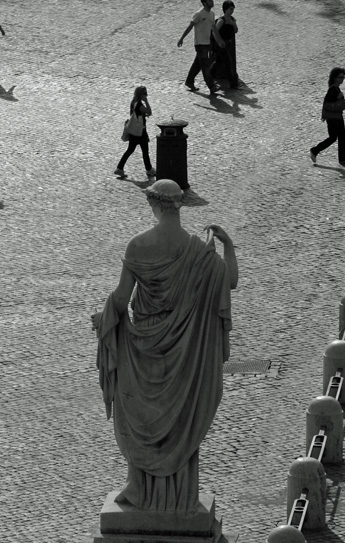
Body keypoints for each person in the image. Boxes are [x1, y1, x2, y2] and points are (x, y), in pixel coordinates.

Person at [92, 180, 237, 513]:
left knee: (141, 416)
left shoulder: (138, 246)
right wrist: (228, 246)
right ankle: (181, 496)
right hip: (185, 351)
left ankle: (140, 490)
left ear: (152, 205)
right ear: (180, 206)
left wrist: (104, 318)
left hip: (145, 346)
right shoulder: (201, 253)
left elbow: (121, 297)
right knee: (180, 418)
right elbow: (230, 282)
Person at [177, 0, 225, 93]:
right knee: (205, 66)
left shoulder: (211, 14)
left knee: (198, 64)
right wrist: (182, 38)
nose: (212, 1)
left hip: (207, 43)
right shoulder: (199, 14)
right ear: (204, 3)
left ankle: (189, 81)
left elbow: (214, 29)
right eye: (210, 0)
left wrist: (219, 41)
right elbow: (190, 26)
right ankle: (211, 86)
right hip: (200, 44)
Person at [310, 67, 345, 166]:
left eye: (343, 77)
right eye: (340, 77)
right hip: (333, 118)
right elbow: (327, 105)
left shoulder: (336, 88)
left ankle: (343, 158)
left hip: (337, 117)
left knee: (342, 138)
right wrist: (339, 100)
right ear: (335, 78)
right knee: (333, 138)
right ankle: (315, 150)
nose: (342, 79)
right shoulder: (332, 90)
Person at [113, 87, 155, 179]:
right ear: (141, 95)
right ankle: (149, 170)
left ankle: (120, 168)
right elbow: (149, 112)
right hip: (140, 132)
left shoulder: (133, 103)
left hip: (134, 131)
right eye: (145, 93)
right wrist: (146, 101)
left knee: (130, 150)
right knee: (145, 151)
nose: (146, 95)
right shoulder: (139, 105)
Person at [212, 0, 239, 89]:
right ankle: (233, 83)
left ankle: (209, 75)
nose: (232, 11)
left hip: (227, 44)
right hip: (220, 44)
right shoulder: (221, 20)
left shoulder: (232, 19)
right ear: (225, 9)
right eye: (230, 9)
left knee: (218, 62)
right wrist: (219, 42)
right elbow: (215, 31)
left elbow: (236, 30)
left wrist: (233, 24)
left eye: (233, 9)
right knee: (228, 62)